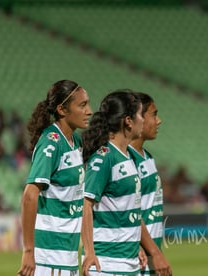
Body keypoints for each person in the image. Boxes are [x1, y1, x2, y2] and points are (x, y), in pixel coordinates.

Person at [17, 80, 92, 276]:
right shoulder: (52, 142)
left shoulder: (75, 142)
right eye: (82, 105)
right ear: (62, 109)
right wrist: (28, 251)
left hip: (66, 255)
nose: (89, 111)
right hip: (49, 258)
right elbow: (29, 196)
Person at [80, 90, 145, 276]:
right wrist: (90, 252)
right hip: (107, 264)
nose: (143, 120)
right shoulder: (104, 157)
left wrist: (135, 247)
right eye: (140, 114)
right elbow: (86, 204)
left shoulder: (128, 156)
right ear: (128, 121)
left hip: (129, 263)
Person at [128, 92, 172, 276]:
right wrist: (150, 250)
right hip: (135, 257)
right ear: (136, 119)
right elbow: (126, 211)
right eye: (153, 114)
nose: (159, 121)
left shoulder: (147, 157)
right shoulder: (125, 159)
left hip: (150, 254)